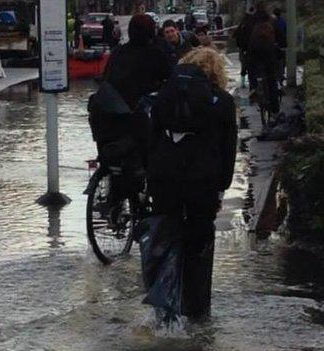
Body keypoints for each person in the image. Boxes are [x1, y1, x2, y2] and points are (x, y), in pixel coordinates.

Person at [148, 47, 238, 320]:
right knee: (199, 243)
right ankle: (198, 312)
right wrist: (222, 185)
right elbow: (228, 147)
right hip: (202, 178)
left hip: (165, 176)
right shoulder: (221, 101)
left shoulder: (164, 95)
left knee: (165, 238)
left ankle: (165, 310)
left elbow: (151, 137)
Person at [90, 14, 171, 171]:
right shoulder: (155, 54)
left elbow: (106, 77)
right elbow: (169, 78)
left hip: (103, 118)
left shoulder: (118, 52)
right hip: (133, 118)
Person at [246, 2, 283, 114]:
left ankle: (254, 90)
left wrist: (245, 48)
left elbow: (242, 37)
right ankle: (275, 107)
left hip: (254, 55)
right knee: (271, 78)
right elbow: (282, 37)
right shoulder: (272, 21)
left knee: (252, 72)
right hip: (270, 55)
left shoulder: (250, 21)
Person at [234, 6, 255, 89]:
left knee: (244, 66)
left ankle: (243, 83)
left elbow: (236, 35)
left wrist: (240, 46)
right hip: (252, 49)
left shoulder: (243, 23)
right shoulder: (254, 23)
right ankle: (252, 84)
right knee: (252, 67)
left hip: (243, 49)